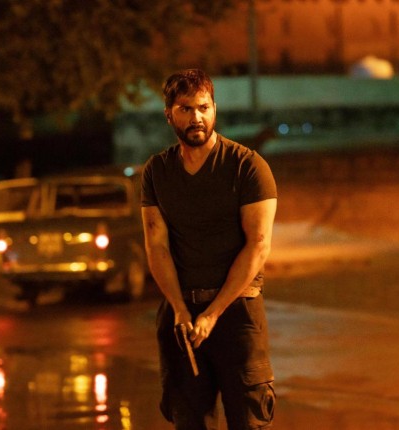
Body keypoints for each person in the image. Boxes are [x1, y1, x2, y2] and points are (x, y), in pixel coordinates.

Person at [141, 68, 277, 430]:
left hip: (238, 313)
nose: (196, 117)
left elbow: (258, 245)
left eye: (203, 107)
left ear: (214, 109)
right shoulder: (157, 171)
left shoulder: (247, 166)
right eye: (185, 109)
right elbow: (157, 246)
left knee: (249, 420)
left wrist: (213, 313)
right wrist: (179, 308)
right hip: (182, 317)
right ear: (169, 114)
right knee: (188, 421)